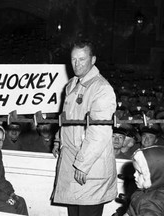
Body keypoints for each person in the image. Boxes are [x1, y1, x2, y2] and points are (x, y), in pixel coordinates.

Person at [51, 39, 117, 216]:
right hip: (73, 164)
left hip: (89, 168)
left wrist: (83, 165)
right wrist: (59, 140)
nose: (76, 64)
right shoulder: (72, 85)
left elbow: (100, 131)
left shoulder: (101, 88)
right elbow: (68, 120)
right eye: (73, 59)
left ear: (93, 60)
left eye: (81, 59)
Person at [0, 124, 29, 215]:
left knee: (20, 202)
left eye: (1, 140)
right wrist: (4, 197)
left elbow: (1, 179)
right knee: (9, 208)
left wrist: (11, 193)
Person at [123, 146, 164, 216]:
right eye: (135, 170)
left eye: (140, 173)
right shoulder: (145, 191)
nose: (134, 175)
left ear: (156, 175)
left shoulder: (150, 202)